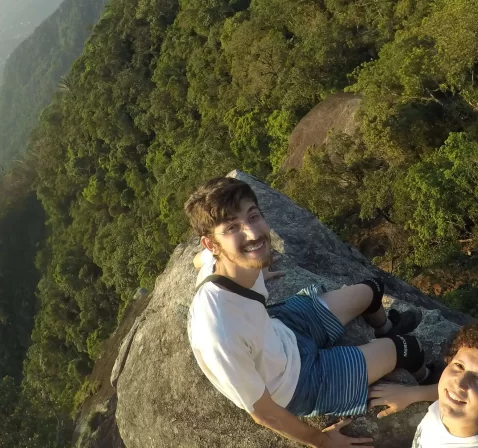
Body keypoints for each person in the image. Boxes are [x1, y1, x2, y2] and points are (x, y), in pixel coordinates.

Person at [185, 176, 431, 448]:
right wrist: (322, 442)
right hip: (299, 383)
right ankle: (427, 382)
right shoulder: (218, 330)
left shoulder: (219, 261)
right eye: (232, 228)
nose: (253, 234)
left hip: (285, 330)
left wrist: (255, 267)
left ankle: (384, 328)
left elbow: (200, 260)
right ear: (212, 243)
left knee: (372, 289)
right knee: (407, 348)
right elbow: (263, 412)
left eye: (253, 216)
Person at [367, 322, 478, 447]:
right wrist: (412, 393)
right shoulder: (459, 401)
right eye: (459, 366)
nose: (458, 382)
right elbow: (446, 389)